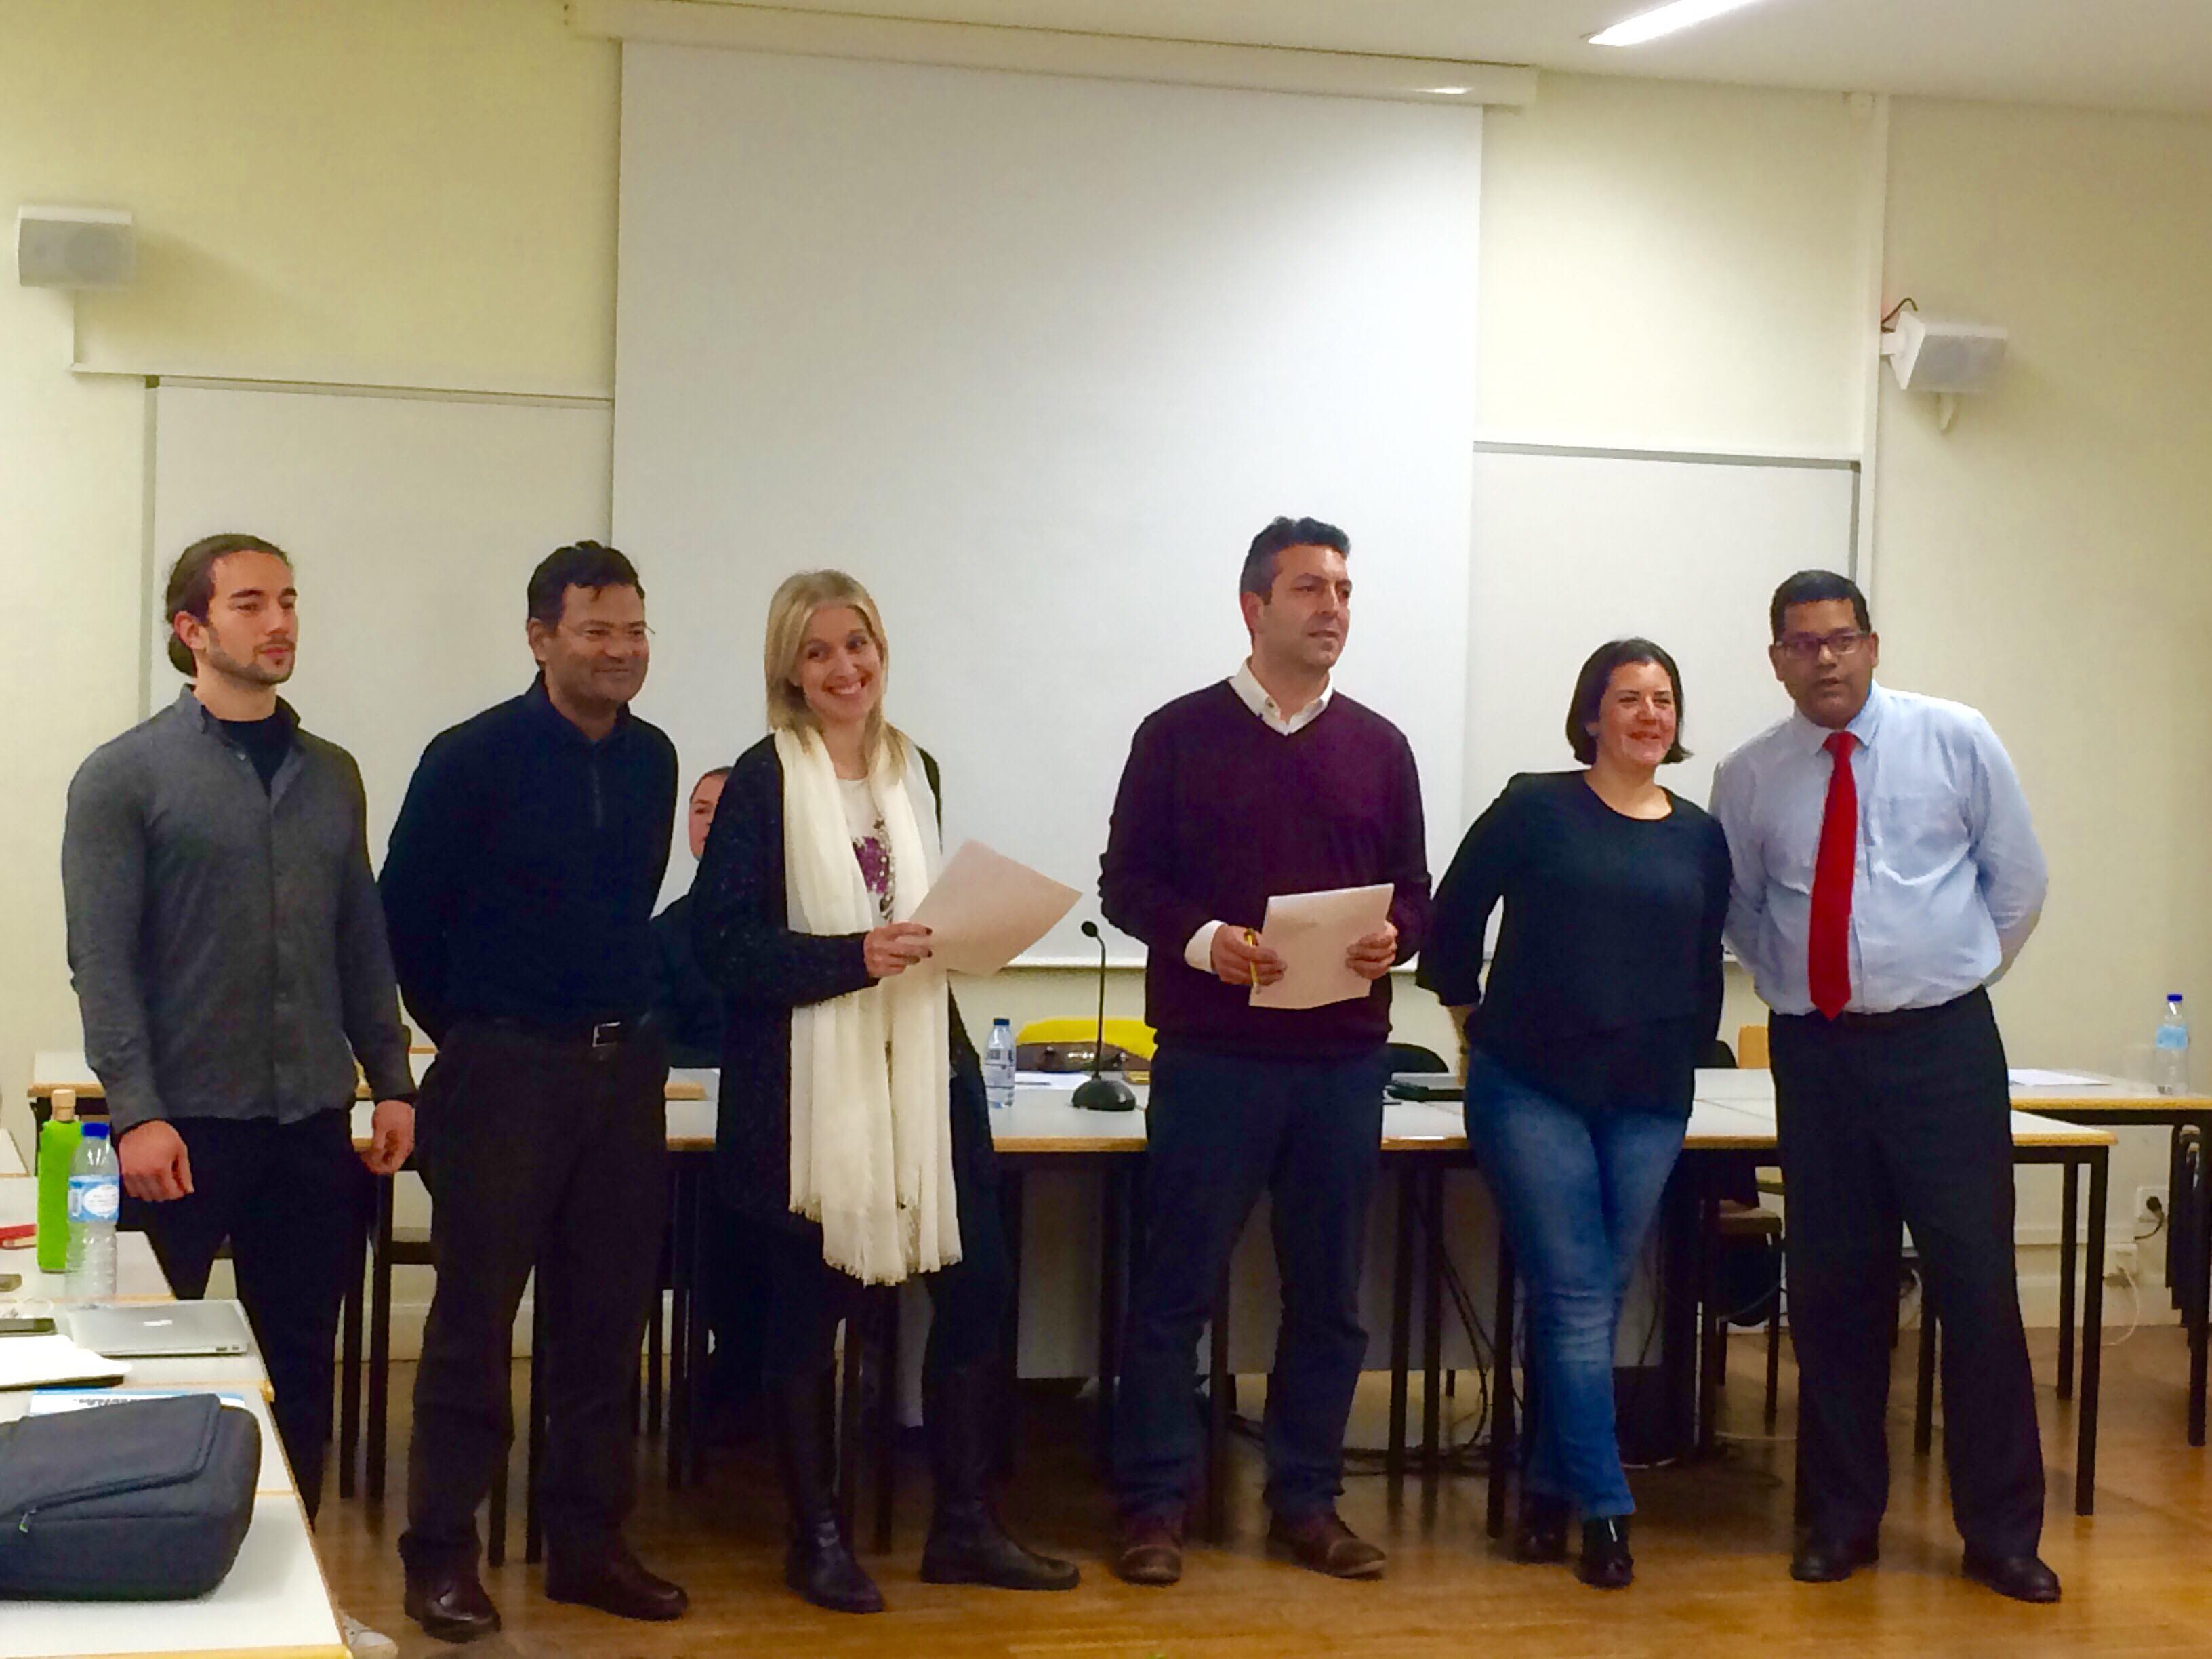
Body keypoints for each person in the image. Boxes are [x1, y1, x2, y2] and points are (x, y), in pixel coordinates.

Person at [691, 569, 1078, 1614]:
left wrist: (972, 933)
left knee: (981, 1286)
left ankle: (965, 1526)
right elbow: (722, 948)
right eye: (818, 652)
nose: (844, 668)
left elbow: (924, 914)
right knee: (805, 1315)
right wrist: (851, 957)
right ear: (790, 670)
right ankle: (815, 1539)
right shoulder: (764, 781)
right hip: (806, 1091)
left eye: (856, 644)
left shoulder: (918, 769)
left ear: (880, 651)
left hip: (925, 1072)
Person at [62, 532, 413, 1659]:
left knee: (299, 1373)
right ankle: (133, 1604)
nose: (280, 621)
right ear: (191, 628)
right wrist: (137, 1110)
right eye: (251, 602)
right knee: (138, 1370)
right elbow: (102, 961)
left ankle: (295, 1600)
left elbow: (360, 940)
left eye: (289, 600)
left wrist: (392, 1080)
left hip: (310, 1122)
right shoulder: (123, 776)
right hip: (180, 1127)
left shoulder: (333, 774)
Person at [1710, 569, 2057, 1603]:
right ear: (1777, 659)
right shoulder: (1748, 774)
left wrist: (1939, 976)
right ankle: (1839, 1518)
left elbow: (2019, 883)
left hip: (1942, 1049)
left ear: (1871, 645)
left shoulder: (1955, 738)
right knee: (1833, 1292)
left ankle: (2002, 1534)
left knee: (1977, 1289)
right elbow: (1741, 910)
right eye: (1802, 643)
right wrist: (1821, 990)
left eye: (1841, 639)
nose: (1824, 658)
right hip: (1818, 1057)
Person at [1100, 516, 1431, 1586]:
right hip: (1214, 1057)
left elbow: (1415, 890)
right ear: (1254, 607)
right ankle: (1155, 1504)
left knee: (1329, 1297)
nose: (1334, 607)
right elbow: (1126, 883)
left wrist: (1397, 939)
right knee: (1177, 1288)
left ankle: (1307, 1501)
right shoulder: (1176, 734)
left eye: (1344, 590)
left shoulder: (1382, 746)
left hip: (1341, 1062)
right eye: (1310, 589)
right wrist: (1210, 943)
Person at [382, 540, 687, 1639]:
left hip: (622, 1072)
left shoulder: (653, 759)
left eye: (635, 630)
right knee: (473, 1324)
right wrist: (475, 1031)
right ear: (540, 637)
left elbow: (629, 902)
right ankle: (441, 1555)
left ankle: (586, 1545)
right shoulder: (470, 758)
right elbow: (403, 919)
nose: (621, 650)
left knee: (605, 1323)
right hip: (503, 1067)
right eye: (597, 630)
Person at [1418, 638, 1731, 1589]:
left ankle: (1547, 1492)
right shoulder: (1535, 807)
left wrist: (1687, 1055)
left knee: (1590, 1290)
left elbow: (1704, 962)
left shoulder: (1699, 834)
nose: (1649, 714)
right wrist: (1469, 1016)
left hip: (1649, 1098)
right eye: (1628, 698)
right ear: (1591, 715)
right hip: (1531, 1084)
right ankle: (1605, 1507)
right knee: (1578, 1294)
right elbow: (1451, 915)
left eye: (1663, 699)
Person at [652, 766, 733, 1067]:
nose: (710, 820)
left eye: (725, 808)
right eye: (701, 810)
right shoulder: (665, 932)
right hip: (695, 1083)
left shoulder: (789, 919)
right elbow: (656, 1041)